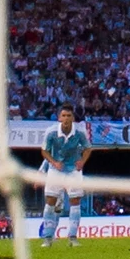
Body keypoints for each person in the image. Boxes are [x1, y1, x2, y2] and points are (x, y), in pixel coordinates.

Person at [39, 106, 92, 248]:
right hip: (56, 170)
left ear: (73, 118)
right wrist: (54, 162)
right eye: (64, 115)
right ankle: (48, 238)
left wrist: (82, 162)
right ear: (59, 118)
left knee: (75, 201)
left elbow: (88, 148)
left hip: (73, 170)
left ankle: (73, 238)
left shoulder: (80, 132)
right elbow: (44, 151)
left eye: (69, 115)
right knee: (50, 201)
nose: (66, 118)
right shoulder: (51, 132)